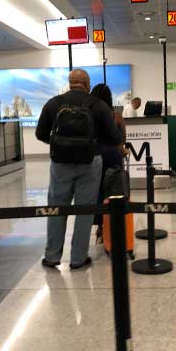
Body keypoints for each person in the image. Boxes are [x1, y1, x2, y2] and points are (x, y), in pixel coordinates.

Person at [36, 69, 122, 270]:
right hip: (90, 163)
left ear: (70, 82)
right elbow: (115, 137)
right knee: (85, 211)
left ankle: (52, 256)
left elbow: (40, 133)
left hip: (60, 164)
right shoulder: (98, 105)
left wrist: (58, 144)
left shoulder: (53, 103)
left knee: (57, 208)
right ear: (87, 83)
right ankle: (78, 258)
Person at [90, 84, 127, 241]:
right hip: (113, 156)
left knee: (98, 192)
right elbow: (122, 138)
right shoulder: (116, 116)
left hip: (95, 156)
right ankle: (114, 227)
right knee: (114, 191)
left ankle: (100, 228)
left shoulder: (89, 114)